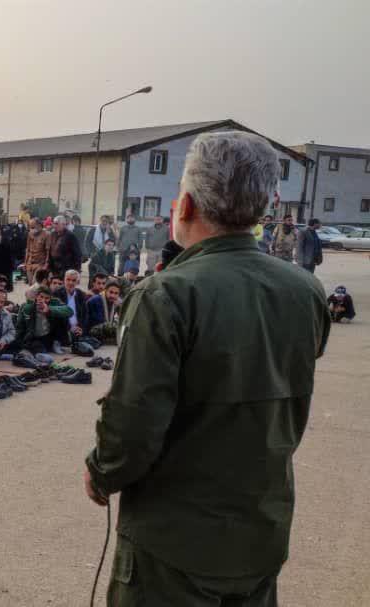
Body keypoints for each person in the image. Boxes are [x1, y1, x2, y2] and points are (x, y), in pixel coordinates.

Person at [85, 131, 330, 605]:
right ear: (265, 207)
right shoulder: (305, 291)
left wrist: (101, 472)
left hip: (174, 548)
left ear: (187, 205)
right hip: (261, 533)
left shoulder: (165, 296)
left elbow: (133, 427)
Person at [15, 286, 71, 356]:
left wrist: (49, 310)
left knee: (61, 315)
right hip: (35, 337)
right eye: (41, 297)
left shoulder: (54, 302)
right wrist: (18, 343)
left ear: (50, 299)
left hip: (50, 336)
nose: (43, 300)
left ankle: (57, 342)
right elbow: (19, 327)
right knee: (39, 350)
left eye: (46, 298)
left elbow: (69, 311)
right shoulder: (27, 307)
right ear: (36, 296)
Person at [53, 270, 91, 348]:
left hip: (78, 329)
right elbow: (57, 315)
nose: (70, 283)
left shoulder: (80, 294)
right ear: (64, 280)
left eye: (73, 280)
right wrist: (70, 328)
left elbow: (85, 314)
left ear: (77, 282)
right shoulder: (57, 294)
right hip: (64, 329)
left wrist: (81, 328)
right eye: (68, 280)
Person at [84, 279, 122, 344]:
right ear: (105, 291)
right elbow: (99, 320)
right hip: (92, 331)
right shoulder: (95, 300)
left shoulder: (116, 302)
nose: (113, 295)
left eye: (116, 293)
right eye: (111, 292)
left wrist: (120, 307)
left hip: (103, 330)